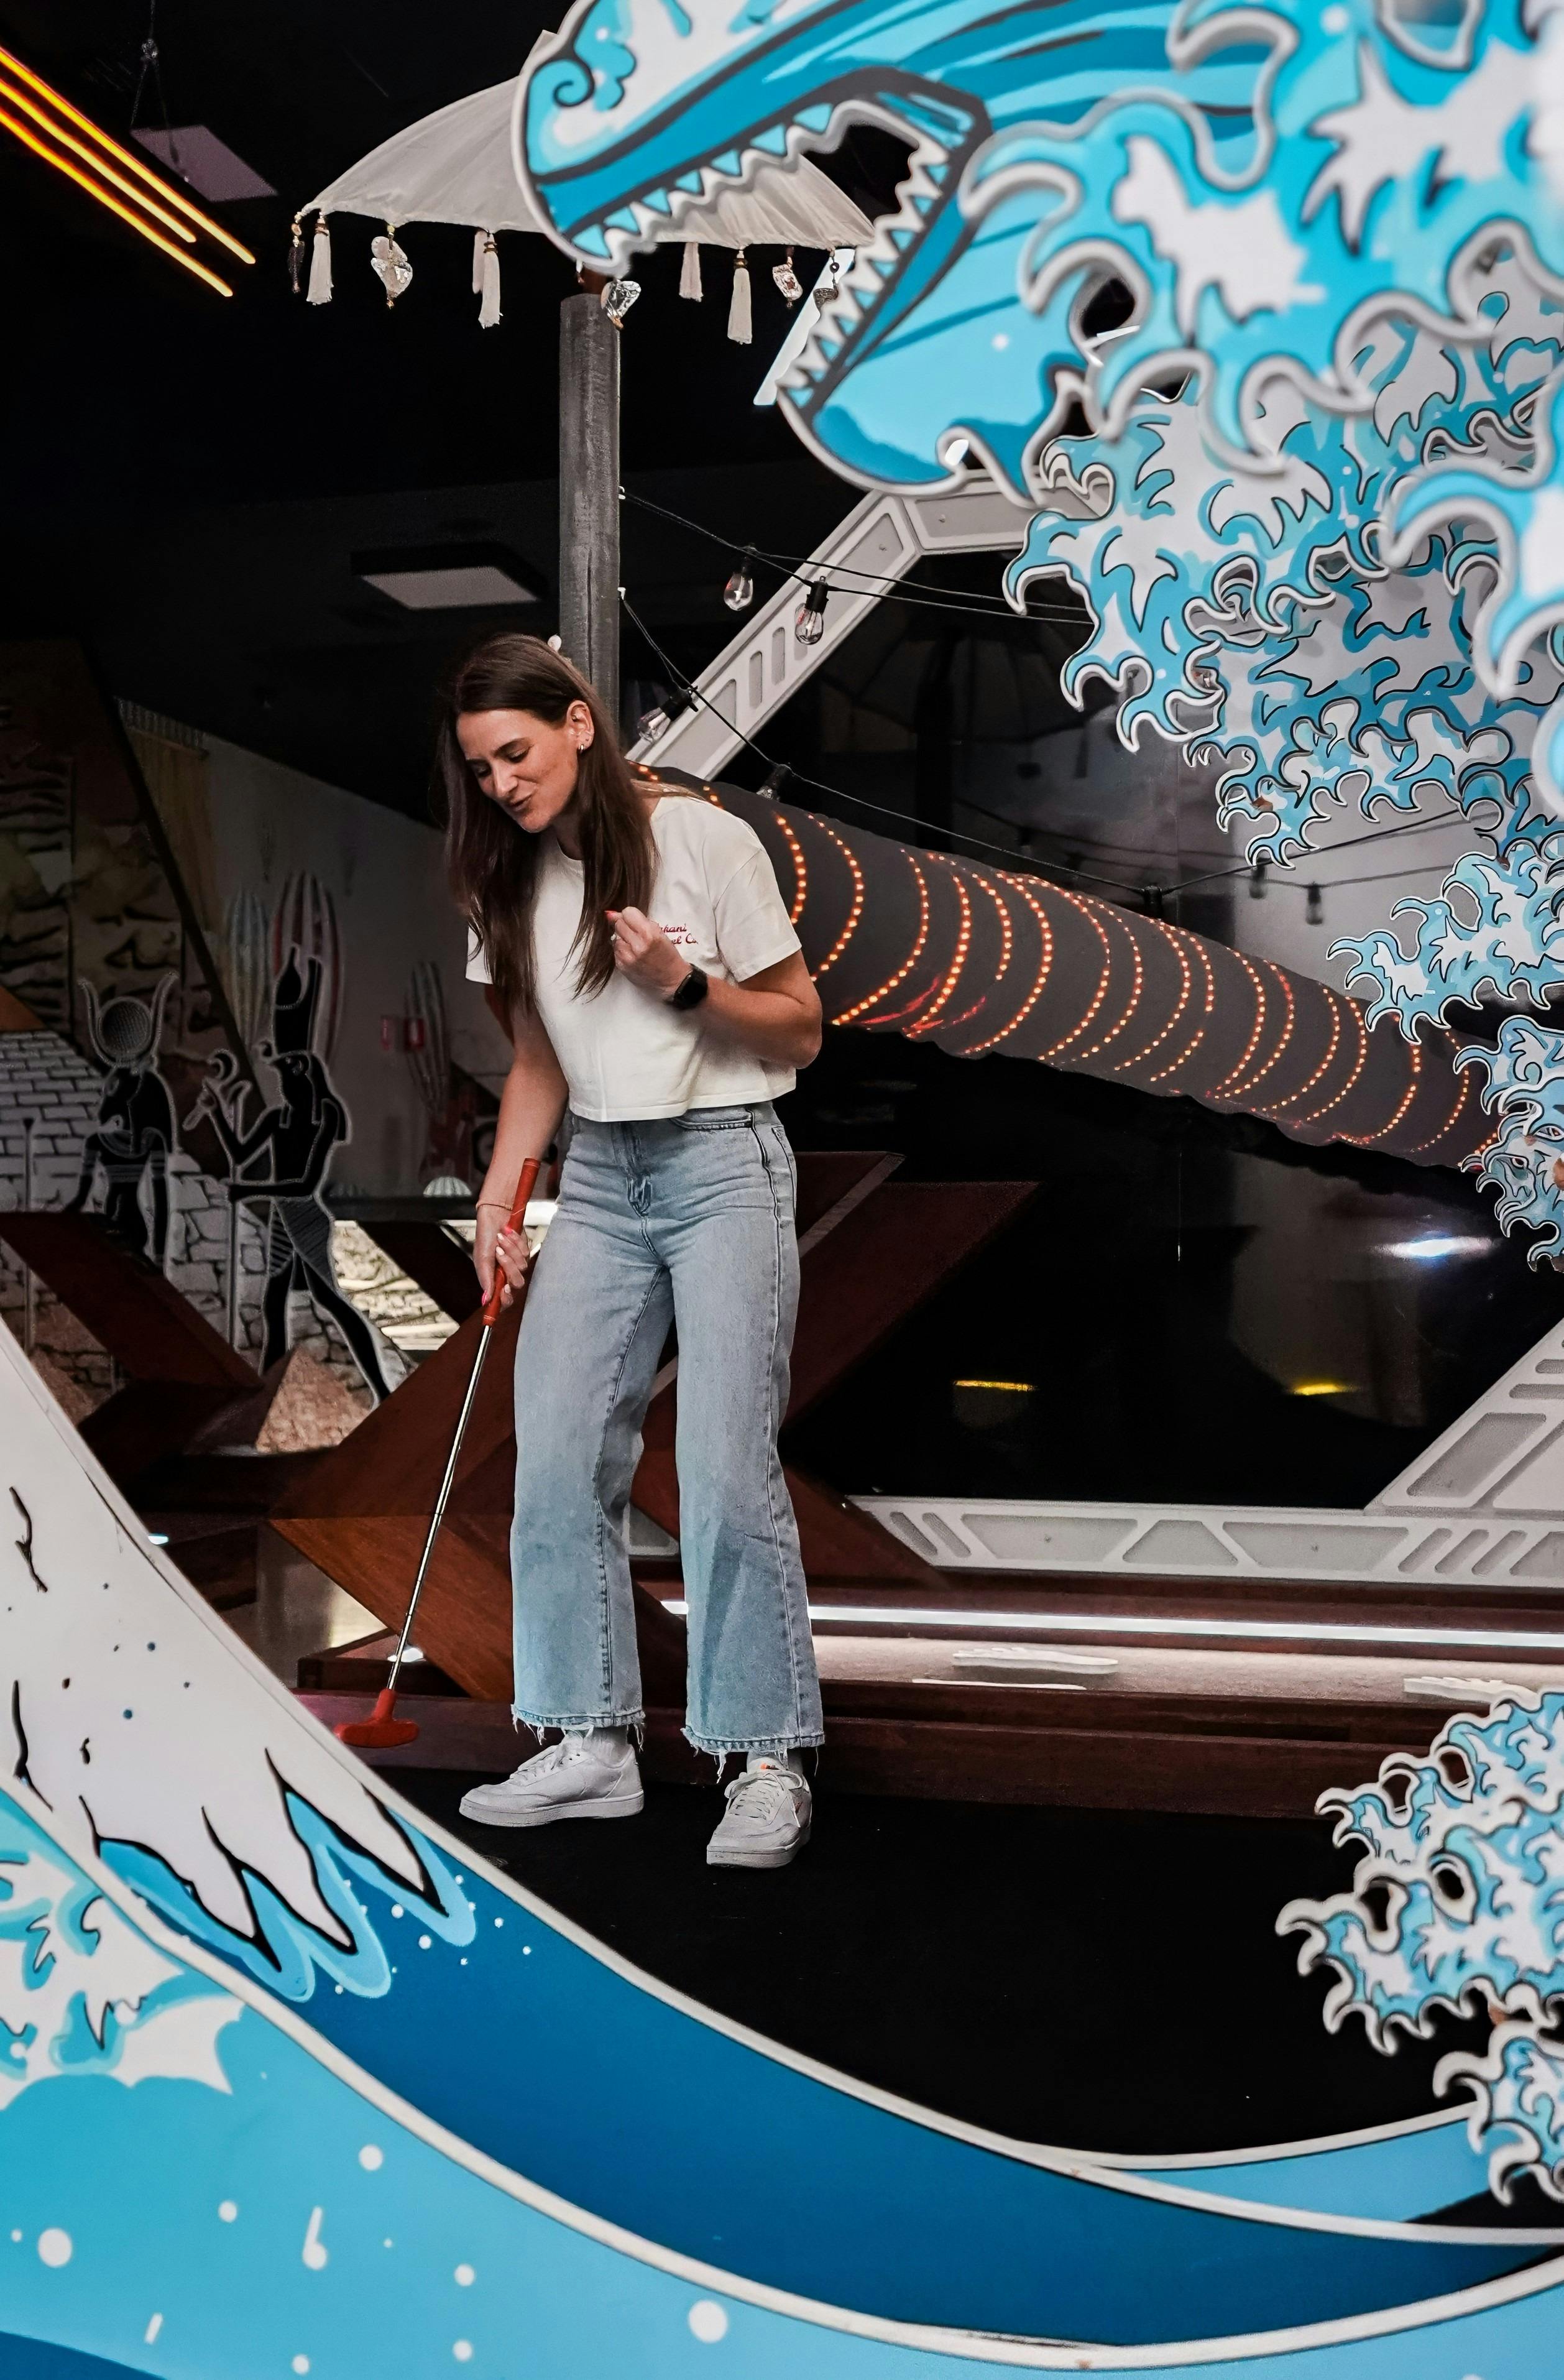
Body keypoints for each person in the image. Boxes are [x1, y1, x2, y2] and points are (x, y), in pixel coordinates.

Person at [438, 633, 824, 1868]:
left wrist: (685, 987)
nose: (501, 782)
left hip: (725, 1162)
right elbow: (540, 1062)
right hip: (600, 1180)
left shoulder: (704, 843)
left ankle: (762, 1759)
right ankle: (593, 1742)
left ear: (578, 726)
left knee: (720, 1469)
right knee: (553, 1455)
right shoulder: (502, 880)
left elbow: (803, 1029)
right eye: (481, 767)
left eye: (516, 752)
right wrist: (502, 1204)